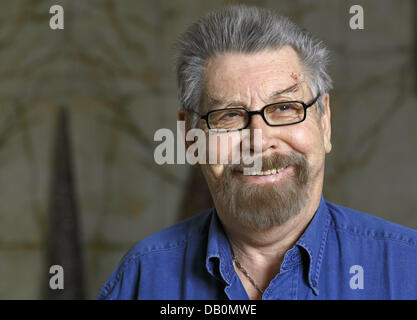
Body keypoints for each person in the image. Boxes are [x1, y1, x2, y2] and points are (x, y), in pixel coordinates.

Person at [97, 5, 417, 300]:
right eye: (229, 115)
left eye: (284, 108)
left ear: (325, 122)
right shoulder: (143, 278)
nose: (259, 141)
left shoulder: (407, 268)